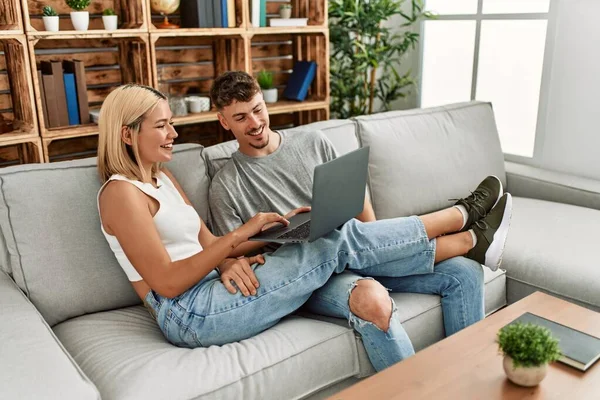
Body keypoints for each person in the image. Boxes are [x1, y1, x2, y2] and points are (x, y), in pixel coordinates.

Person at [97, 83, 512, 375]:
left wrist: (231, 257)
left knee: (326, 231)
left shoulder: (161, 180)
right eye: (162, 126)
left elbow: (207, 246)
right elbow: (167, 282)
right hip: (189, 313)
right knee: (329, 235)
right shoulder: (119, 194)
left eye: (171, 123)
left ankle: (466, 247)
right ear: (127, 134)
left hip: (214, 287)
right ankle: (461, 226)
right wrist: (241, 235)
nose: (174, 133)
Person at [207, 71, 513, 370]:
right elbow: (230, 250)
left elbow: (354, 197)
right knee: (372, 299)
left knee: (465, 273)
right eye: (241, 117)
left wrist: (378, 243)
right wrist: (254, 241)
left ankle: (469, 382)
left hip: (358, 247)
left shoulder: (312, 142)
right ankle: (464, 226)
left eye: (258, 110)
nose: (256, 123)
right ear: (223, 121)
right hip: (311, 275)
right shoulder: (226, 185)